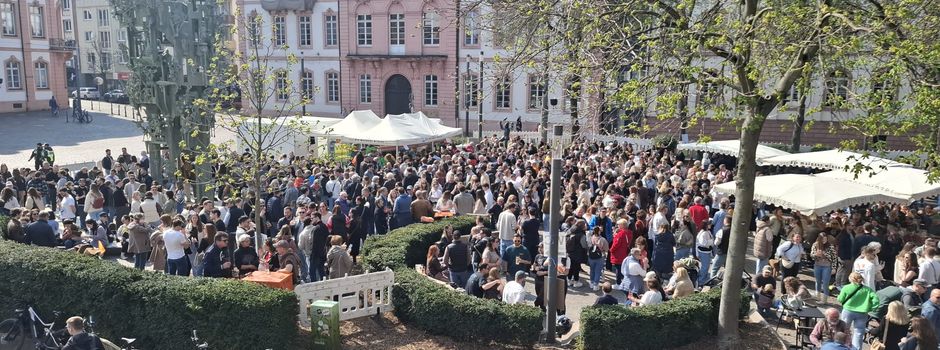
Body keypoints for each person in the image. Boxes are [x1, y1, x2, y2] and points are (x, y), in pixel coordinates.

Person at [838, 272, 880, 349]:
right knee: (859, 332)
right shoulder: (868, 290)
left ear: (851, 279)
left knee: (844, 329)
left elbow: (840, 299)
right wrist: (873, 308)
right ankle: (856, 348)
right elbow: (876, 300)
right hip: (862, 313)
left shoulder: (846, 287)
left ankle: (842, 346)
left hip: (848, 310)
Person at [812, 234, 838, 303]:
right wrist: (815, 255)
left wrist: (834, 268)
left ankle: (824, 299)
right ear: (819, 239)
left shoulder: (830, 246)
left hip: (827, 266)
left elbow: (835, 258)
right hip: (817, 265)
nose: (824, 241)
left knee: (825, 283)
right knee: (818, 281)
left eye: (825, 239)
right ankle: (817, 296)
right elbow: (811, 255)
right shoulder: (815, 245)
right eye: (822, 239)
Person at [587, 227, 610, 291]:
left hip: (591, 256)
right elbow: (606, 249)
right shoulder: (603, 239)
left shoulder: (590, 238)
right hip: (600, 257)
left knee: (592, 270)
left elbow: (587, 246)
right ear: (599, 231)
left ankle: (591, 282)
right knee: (598, 271)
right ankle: (595, 284)